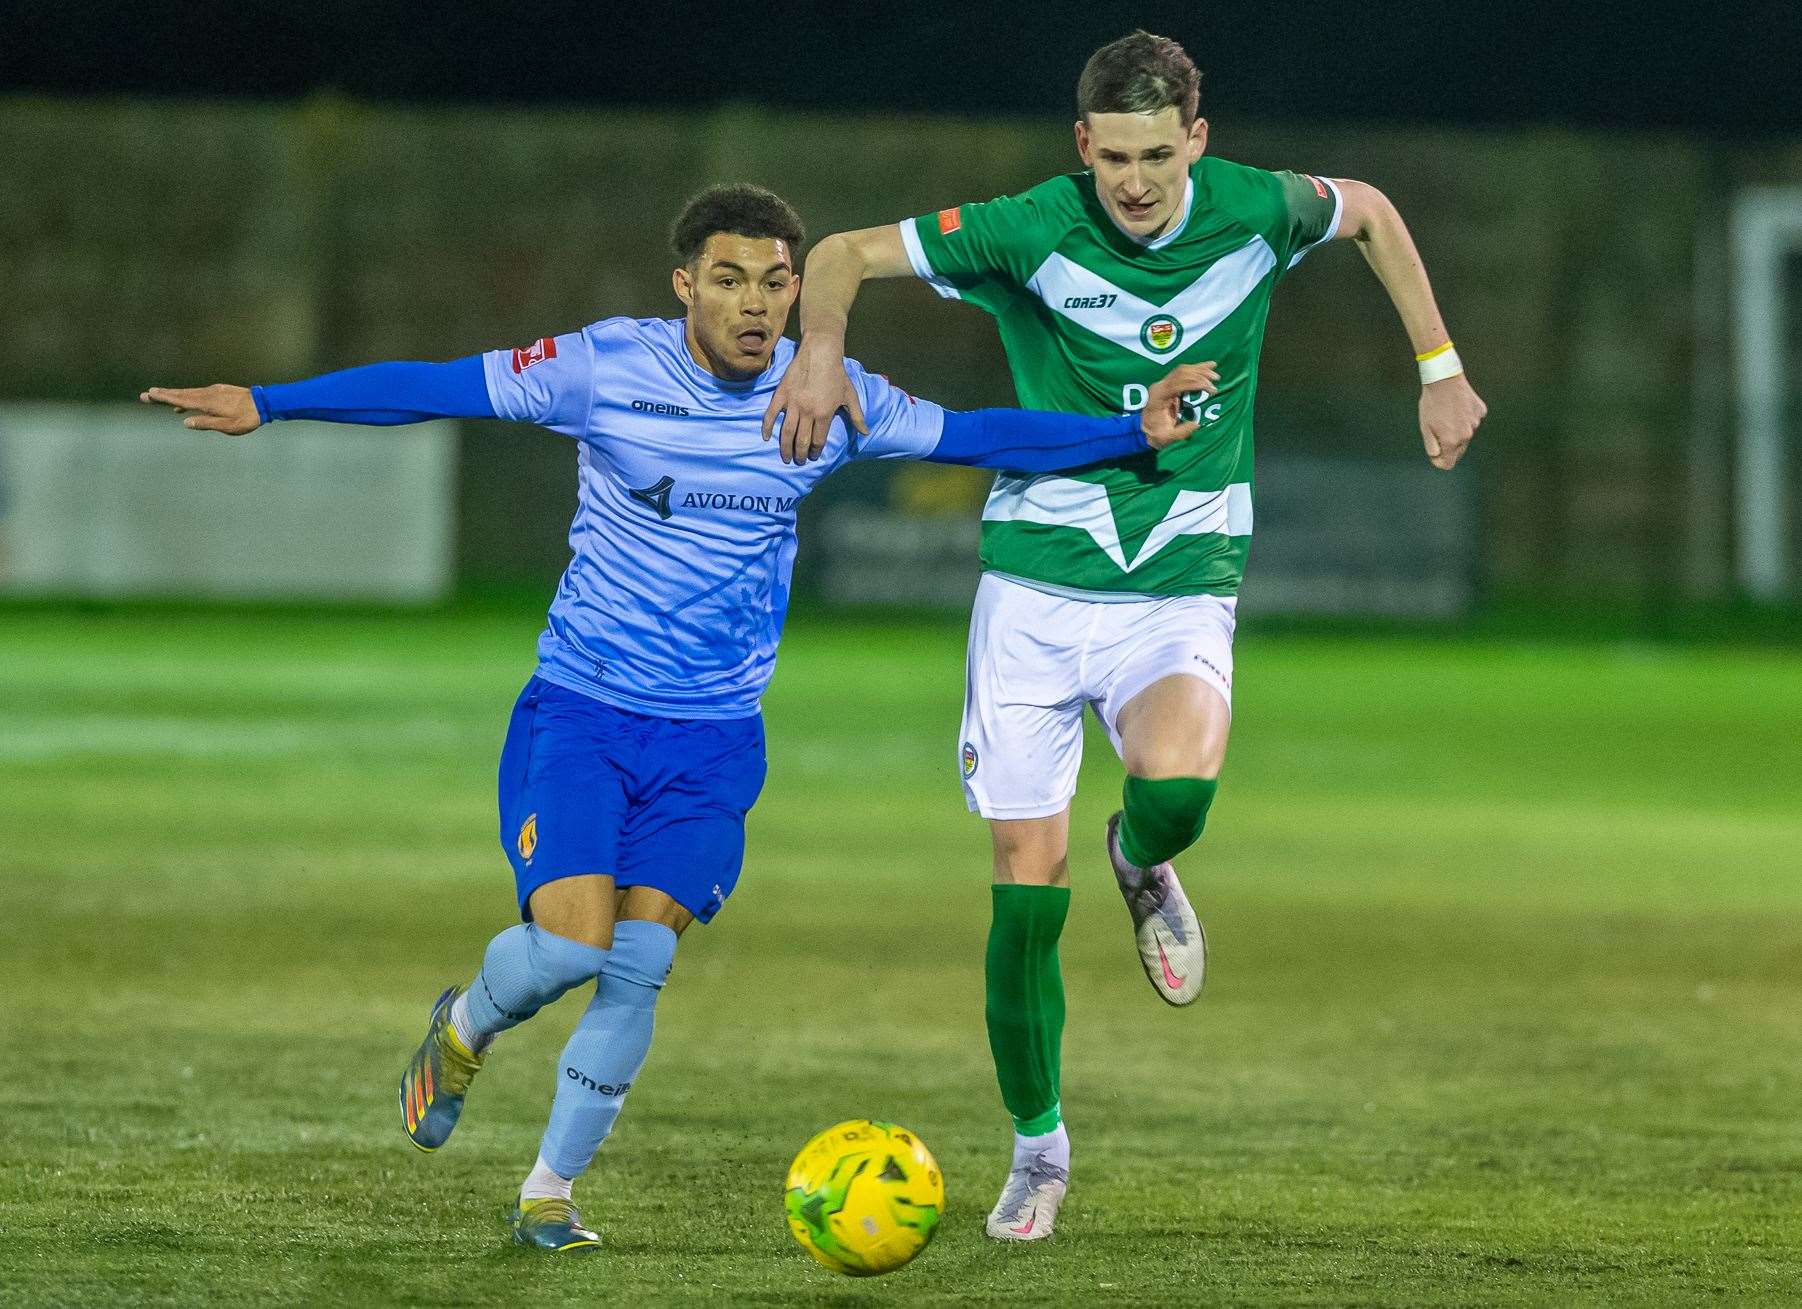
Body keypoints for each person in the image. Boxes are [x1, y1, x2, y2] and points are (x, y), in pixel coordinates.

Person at [140, 183, 1215, 1254]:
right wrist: (271, 402)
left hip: (711, 743)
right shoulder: (604, 367)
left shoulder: (825, 394)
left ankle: (548, 1194)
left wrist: (1130, 432)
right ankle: (462, 1026)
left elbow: (978, 435)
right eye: (730, 280)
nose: (756, 305)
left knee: (639, 963)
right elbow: (438, 387)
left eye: (778, 283)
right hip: (582, 716)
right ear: (684, 285)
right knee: (571, 950)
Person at [766, 32, 1489, 1241]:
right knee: (1017, 889)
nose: (1138, 182)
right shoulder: (1027, 225)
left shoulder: (1256, 208)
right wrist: (821, 349)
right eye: (1115, 158)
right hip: (1034, 597)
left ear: (1195, 142)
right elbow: (835, 255)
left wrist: (1439, 365)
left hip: (1179, 579)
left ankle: (1143, 861)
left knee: (1177, 789)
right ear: (1081, 148)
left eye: (1159, 155)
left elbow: (1366, 211)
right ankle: (1037, 1150)